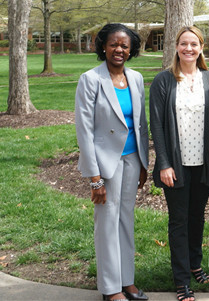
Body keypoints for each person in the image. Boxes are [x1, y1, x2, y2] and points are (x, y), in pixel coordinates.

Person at [75, 23, 150, 301]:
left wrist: (144, 162)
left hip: (132, 159)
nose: (119, 49)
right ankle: (110, 289)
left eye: (125, 45)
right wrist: (94, 178)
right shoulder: (91, 79)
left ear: (131, 50)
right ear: (103, 46)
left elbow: (141, 124)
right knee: (107, 222)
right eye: (114, 44)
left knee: (125, 220)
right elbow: (84, 130)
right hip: (105, 164)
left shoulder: (137, 78)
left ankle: (127, 280)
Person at [149, 26, 209, 301]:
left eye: (194, 44)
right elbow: (156, 124)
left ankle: (195, 264)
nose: (188, 48)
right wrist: (164, 163)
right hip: (175, 166)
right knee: (179, 221)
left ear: (201, 47)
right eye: (184, 43)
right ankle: (181, 279)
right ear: (176, 47)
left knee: (197, 217)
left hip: (203, 163)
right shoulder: (163, 81)